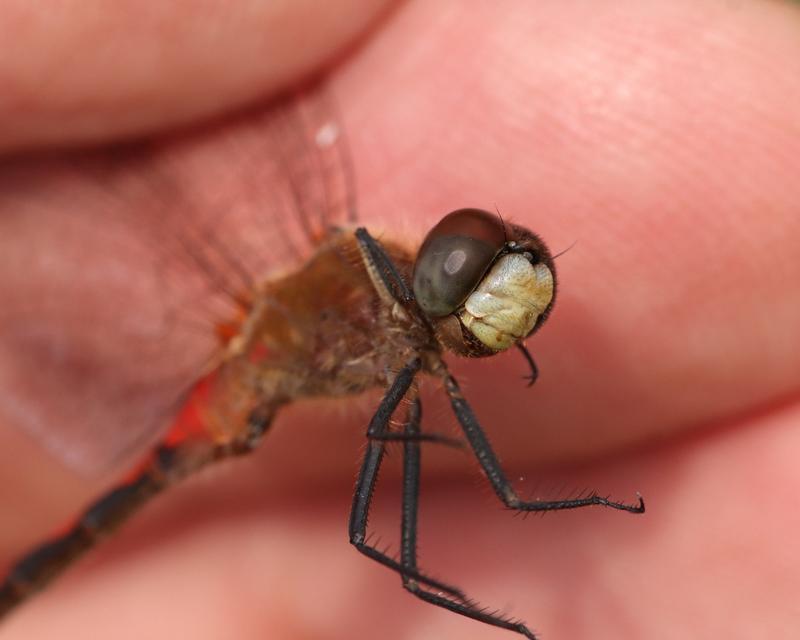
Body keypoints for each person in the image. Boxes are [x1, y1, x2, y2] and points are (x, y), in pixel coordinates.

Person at [1, 1, 799, 638]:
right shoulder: (398, 328)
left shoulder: (415, 336)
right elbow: (447, 525)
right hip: (225, 390)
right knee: (402, 544)